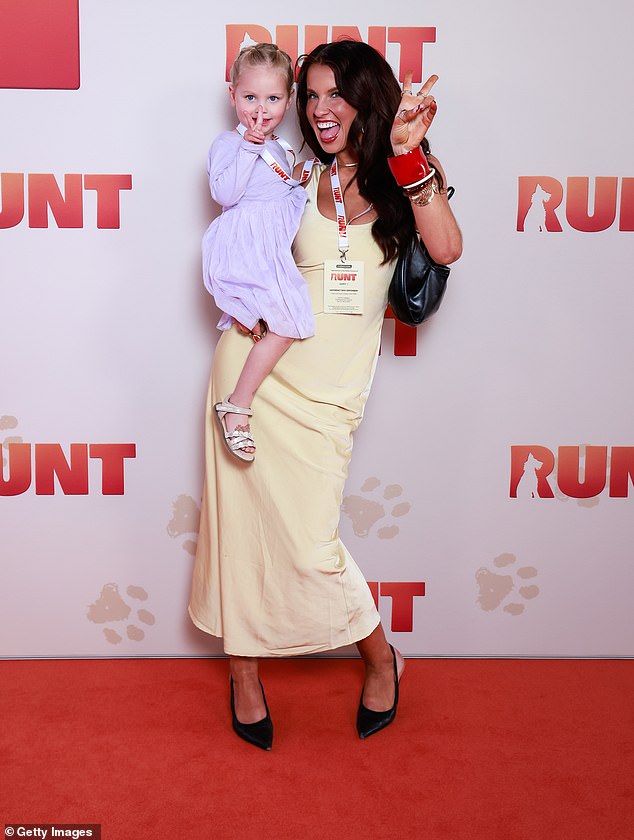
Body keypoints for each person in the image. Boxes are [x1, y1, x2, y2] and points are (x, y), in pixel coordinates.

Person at [189, 40, 462, 750]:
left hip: (327, 395)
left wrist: (408, 155)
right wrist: (237, 298)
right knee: (239, 533)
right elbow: (237, 237)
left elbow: (447, 246)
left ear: (368, 97)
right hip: (250, 375)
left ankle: (381, 658)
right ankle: (244, 676)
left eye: (334, 93)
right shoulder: (293, 172)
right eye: (308, 96)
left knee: (311, 546)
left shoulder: (405, 174)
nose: (318, 109)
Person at [202, 43, 314, 463]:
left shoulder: (284, 150)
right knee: (285, 324)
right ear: (233, 95)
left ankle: (243, 398)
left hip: (270, 250)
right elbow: (225, 193)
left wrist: (300, 184)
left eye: (273, 99)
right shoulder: (227, 144)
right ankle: (237, 406)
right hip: (244, 246)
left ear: (288, 100)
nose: (260, 110)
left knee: (283, 324)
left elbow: (285, 206)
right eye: (250, 97)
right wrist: (249, 146)